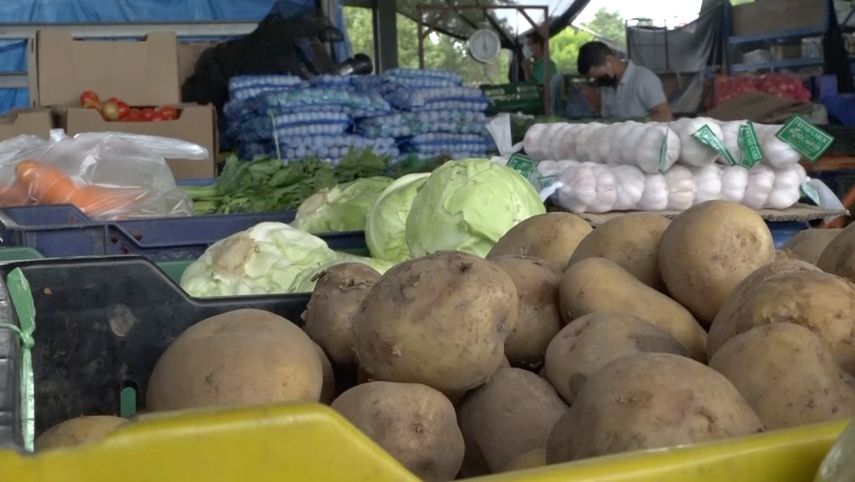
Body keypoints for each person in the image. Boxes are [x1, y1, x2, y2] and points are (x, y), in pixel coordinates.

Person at [577, 41, 672, 121]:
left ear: (609, 60)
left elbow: (664, 115)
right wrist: (595, 102)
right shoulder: (607, 85)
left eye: (599, 76)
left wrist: (637, 129)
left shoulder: (644, 79)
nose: (597, 80)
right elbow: (609, 117)